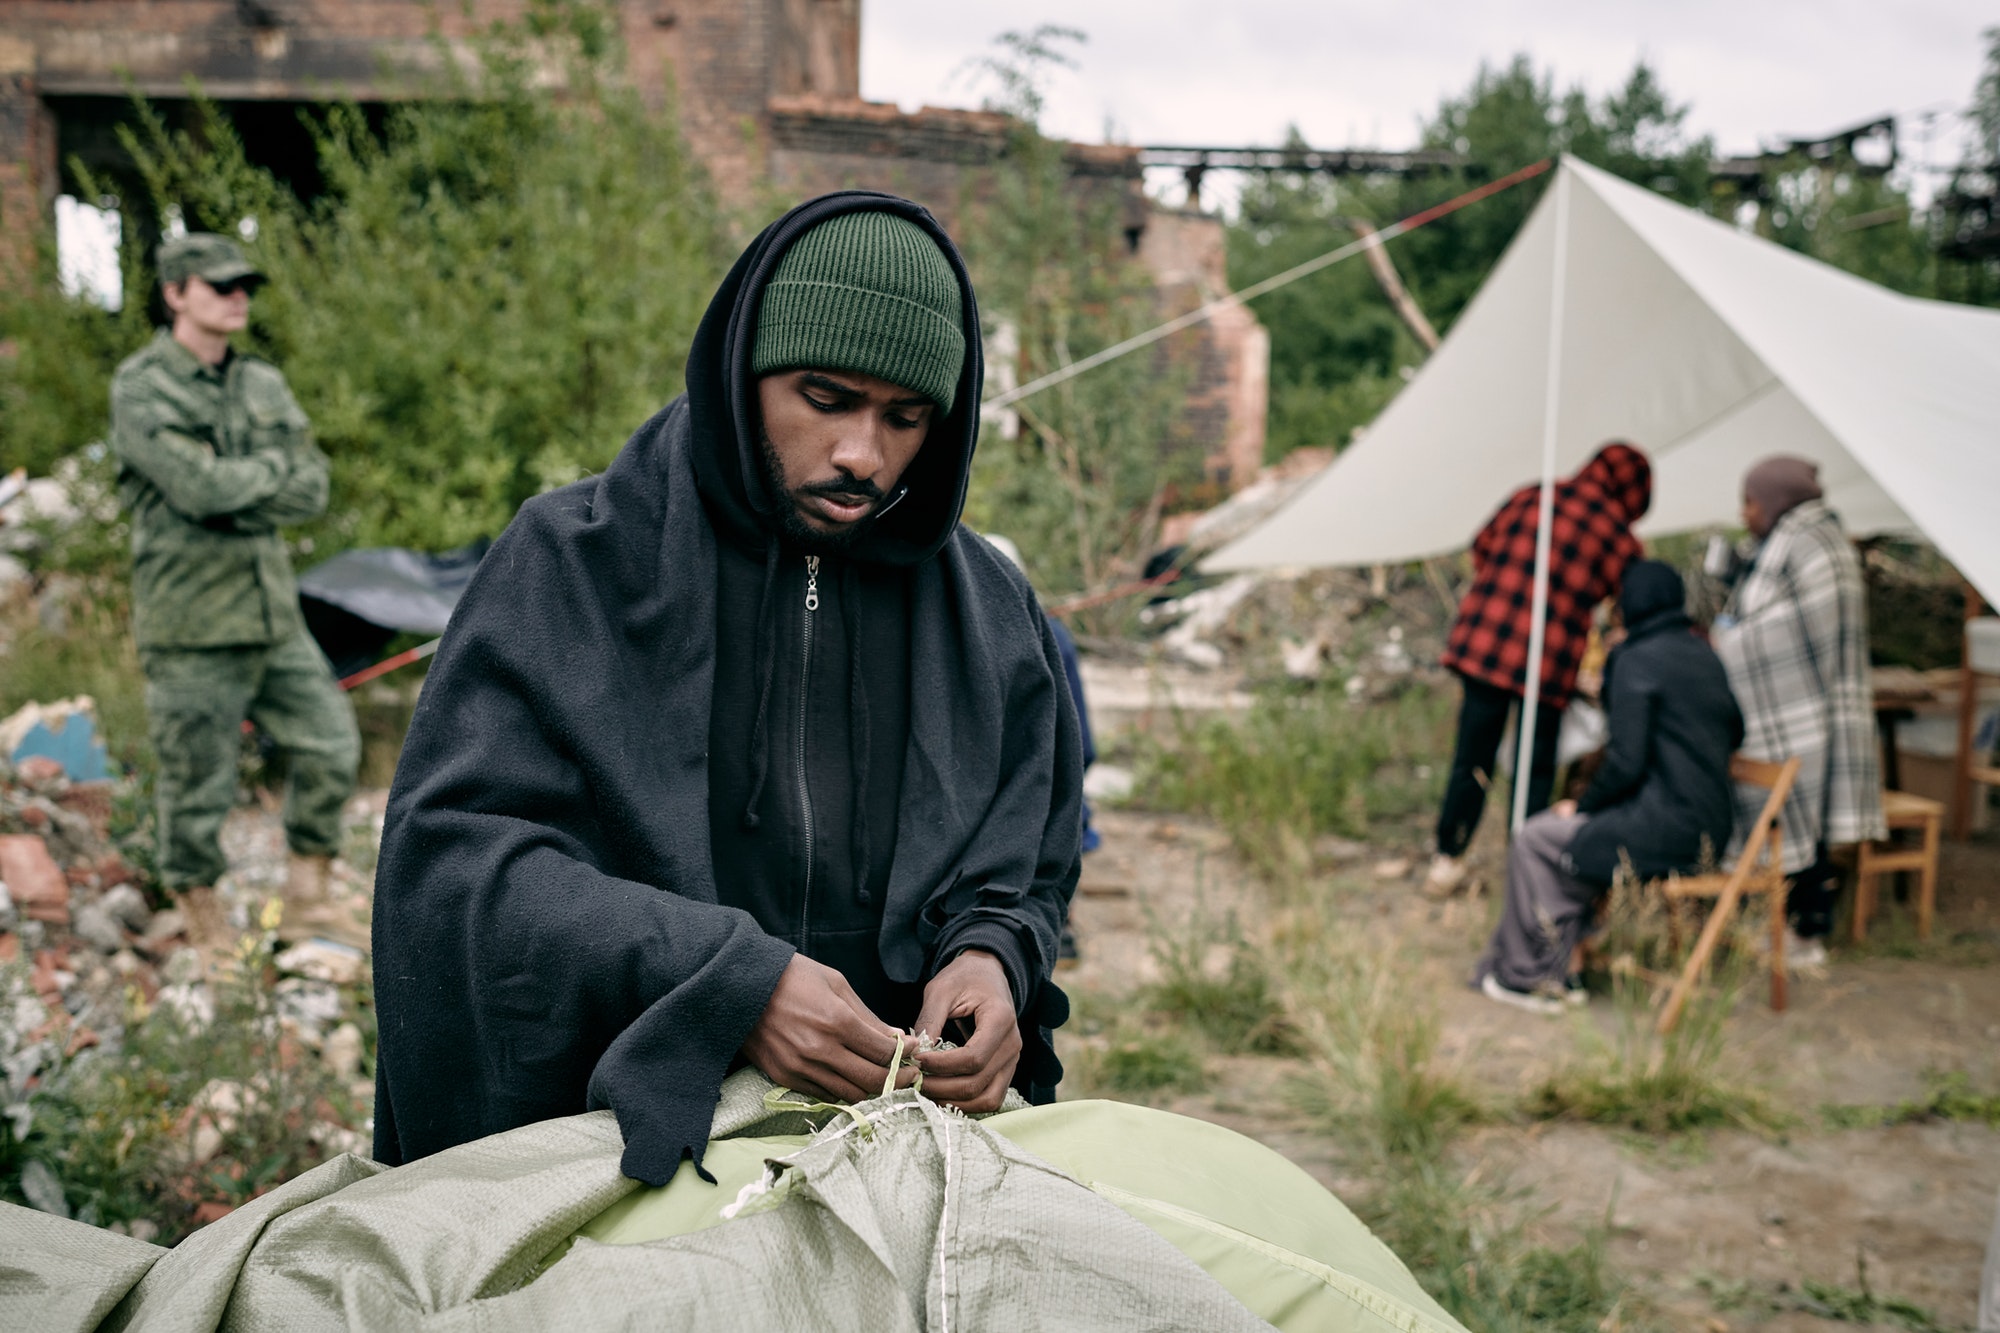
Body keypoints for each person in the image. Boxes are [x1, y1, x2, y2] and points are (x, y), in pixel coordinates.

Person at [371, 194, 1083, 1188]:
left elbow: (1031, 860)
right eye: (824, 398)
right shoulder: (575, 568)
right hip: (616, 1148)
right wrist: (726, 984)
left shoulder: (987, 612)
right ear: (740, 369)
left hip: (892, 1150)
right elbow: (455, 869)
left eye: (905, 416)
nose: (862, 456)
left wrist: (993, 955)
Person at [109, 233, 359, 947]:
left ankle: (308, 896)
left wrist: (233, 485)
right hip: (191, 621)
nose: (238, 297)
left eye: (244, 284)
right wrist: (251, 480)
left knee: (333, 745)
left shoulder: (262, 383)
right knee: (197, 782)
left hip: (270, 613)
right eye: (220, 286)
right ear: (176, 293)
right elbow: (192, 485)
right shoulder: (140, 384)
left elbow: (311, 484)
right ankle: (203, 922)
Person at [1475, 561, 1744, 1012]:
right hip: (1713, 827)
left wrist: (1582, 806)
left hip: (1665, 827)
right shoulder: (1705, 654)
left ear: (1628, 605)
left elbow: (1626, 761)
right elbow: (1735, 732)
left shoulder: (1634, 658)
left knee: (1537, 838)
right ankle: (1570, 969)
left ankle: (1531, 978)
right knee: (1572, 841)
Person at [1425, 442, 1652, 897]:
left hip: (1486, 643)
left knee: (1473, 756)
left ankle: (1447, 859)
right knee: (1534, 767)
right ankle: (1523, 867)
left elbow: (1482, 547)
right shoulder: (1618, 539)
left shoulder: (1534, 495)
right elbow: (1626, 606)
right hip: (1545, 661)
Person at [1711, 456, 1883, 967]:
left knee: (1801, 813)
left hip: (1808, 705)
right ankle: (1785, 924)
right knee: (1792, 814)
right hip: (1797, 703)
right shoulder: (1792, 540)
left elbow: (1799, 627)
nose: (1745, 513)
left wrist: (1727, 643)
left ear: (1775, 500)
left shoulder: (1815, 543)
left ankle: (1807, 931)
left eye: (1751, 502)